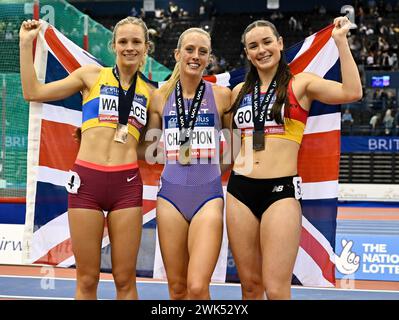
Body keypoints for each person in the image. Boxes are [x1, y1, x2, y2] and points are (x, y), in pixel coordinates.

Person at [225, 16, 362, 300]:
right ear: (247, 53)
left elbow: (352, 92)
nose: (261, 50)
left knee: (276, 289)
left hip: (280, 193)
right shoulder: (238, 92)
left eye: (266, 42)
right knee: (250, 287)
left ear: (280, 44)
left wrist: (340, 43)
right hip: (239, 192)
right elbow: (233, 146)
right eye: (253, 46)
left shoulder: (301, 84)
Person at [19, 17, 153, 299]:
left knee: (125, 280)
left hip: (126, 185)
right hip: (86, 184)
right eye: (123, 41)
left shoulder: (152, 94)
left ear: (146, 48)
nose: (129, 47)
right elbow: (33, 92)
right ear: (113, 45)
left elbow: (148, 147)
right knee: (87, 278)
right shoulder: (90, 76)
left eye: (136, 42)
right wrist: (25, 43)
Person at [146, 27, 231, 299]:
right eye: (190, 50)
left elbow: (236, 149)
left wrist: (216, 173)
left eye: (202, 52)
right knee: (177, 288)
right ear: (177, 54)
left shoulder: (221, 96)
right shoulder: (159, 98)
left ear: (209, 58)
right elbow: (148, 148)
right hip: (170, 196)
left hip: (208, 196)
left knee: (197, 287)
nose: (195, 56)